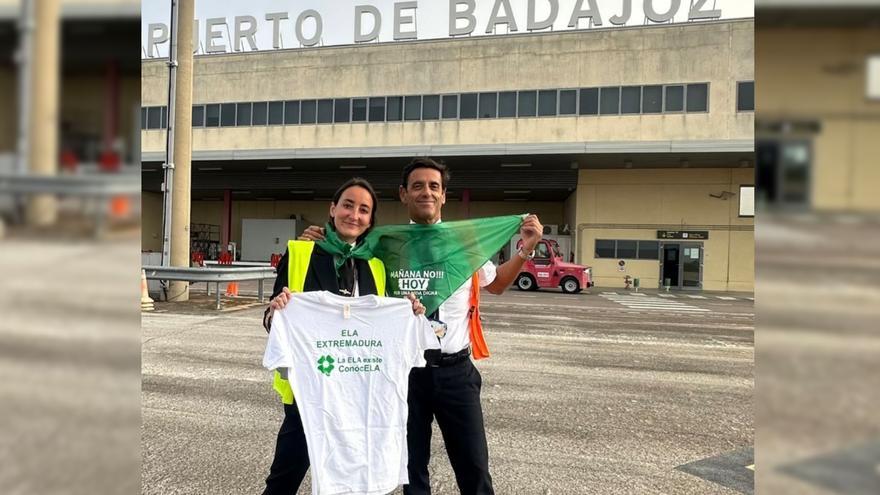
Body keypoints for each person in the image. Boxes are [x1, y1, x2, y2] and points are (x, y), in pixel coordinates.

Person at [301, 158, 543, 495]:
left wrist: (525, 248)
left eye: (433, 186)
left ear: (444, 195)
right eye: (417, 186)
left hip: (456, 371)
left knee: (474, 467)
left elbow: (497, 284)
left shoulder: (463, 243)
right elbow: (346, 246)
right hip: (405, 374)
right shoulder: (385, 243)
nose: (426, 192)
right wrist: (320, 239)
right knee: (411, 470)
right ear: (403, 194)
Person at [260, 177, 425, 495]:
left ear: (370, 221)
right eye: (348, 205)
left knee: (352, 476)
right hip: (310, 388)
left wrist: (409, 311)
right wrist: (275, 310)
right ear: (332, 209)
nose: (355, 214)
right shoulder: (300, 252)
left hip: (358, 392)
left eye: (364, 210)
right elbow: (273, 319)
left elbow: (381, 325)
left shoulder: (375, 266)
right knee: (285, 476)